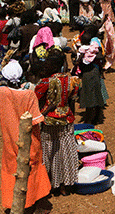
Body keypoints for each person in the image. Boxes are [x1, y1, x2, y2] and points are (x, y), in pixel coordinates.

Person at [0, 61, 51, 212]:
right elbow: (36, 120)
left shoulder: (0, 93)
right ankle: (34, 201)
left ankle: (14, 202)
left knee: (12, 168)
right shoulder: (29, 94)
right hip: (30, 140)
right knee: (33, 168)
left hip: (10, 139)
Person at [34, 51, 81, 196]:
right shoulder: (72, 80)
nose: (44, 66)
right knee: (66, 152)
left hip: (50, 121)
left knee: (50, 153)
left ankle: (51, 184)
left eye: (47, 64)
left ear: (54, 66)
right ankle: (66, 184)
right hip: (66, 120)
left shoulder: (46, 82)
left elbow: (36, 99)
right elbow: (72, 100)